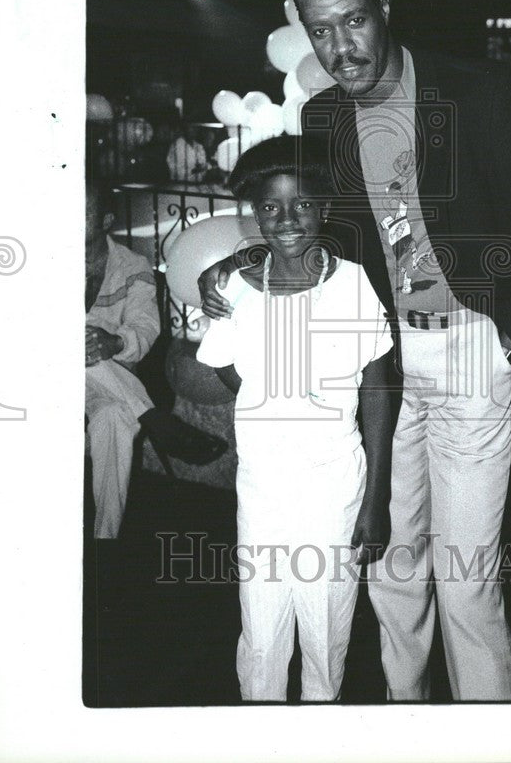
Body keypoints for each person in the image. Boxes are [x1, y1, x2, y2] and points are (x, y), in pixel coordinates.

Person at [199, 0, 511, 701]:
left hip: (474, 351)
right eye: (320, 31)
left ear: (384, 7)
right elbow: (318, 239)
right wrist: (238, 263)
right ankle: (403, 719)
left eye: (352, 22)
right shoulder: (323, 123)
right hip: (384, 361)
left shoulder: (479, 95)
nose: (339, 47)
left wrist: (505, 339)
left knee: (466, 577)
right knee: (390, 563)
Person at [195, 135, 396, 702]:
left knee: (327, 626)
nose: (287, 219)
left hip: (333, 484)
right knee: (260, 625)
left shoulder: (353, 283)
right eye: (270, 207)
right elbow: (226, 369)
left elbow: (378, 391)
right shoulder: (235, 288)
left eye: (303, 204)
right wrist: (273, 395)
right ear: (253, 214)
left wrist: (376, 499)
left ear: (325, 209)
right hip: (262, 486)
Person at [85, 177, 160, 539]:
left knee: (113, 417)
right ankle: (149, 413)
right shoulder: (41, 259)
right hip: (44, 382)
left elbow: (146, 329)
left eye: (82, 211)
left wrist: (114, 343)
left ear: (106, 220)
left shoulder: (133, 266)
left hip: (106, 387)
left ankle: (105, 541)